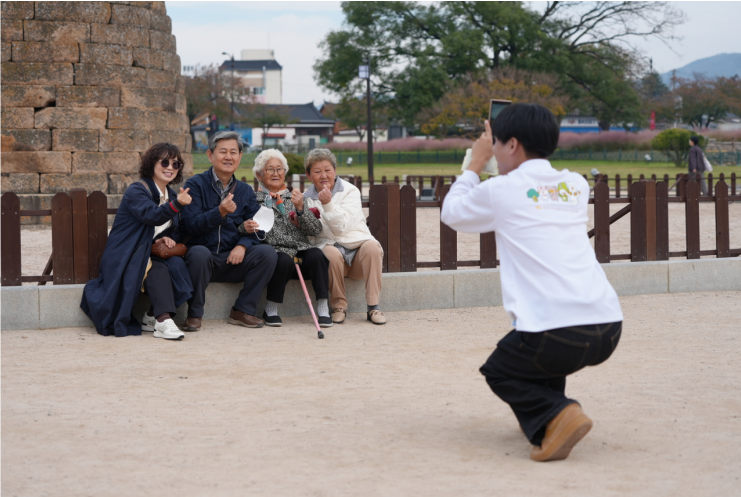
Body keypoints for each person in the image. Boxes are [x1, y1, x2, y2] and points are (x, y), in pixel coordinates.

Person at [441, 104, 623, 462]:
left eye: (496, 143)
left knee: (500, 370)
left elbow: (452, 212)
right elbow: (531, 195)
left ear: (512, 145)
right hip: (607, 326)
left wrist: (475, 164)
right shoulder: (575, 184)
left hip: (558, 330)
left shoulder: (502, 190)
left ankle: (559, 413)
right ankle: (549, 421)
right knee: (538, 357)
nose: (493, 150)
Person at [81, 143, 193, 340]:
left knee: (177, 264)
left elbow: (167, 227)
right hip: (128, 252)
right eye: (165, 162)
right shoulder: (137, 190)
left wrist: (165, 236)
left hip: (150, 251)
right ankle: (163, 320)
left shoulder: (173, 195)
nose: (170, 167)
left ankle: (151, 316)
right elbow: (152, 215)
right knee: (157, 269)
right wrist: (177, 205)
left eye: (175, 164)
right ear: (152, 164)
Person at [180, 131, 277, 330]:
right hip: (203, 260)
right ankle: (194, 314)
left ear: (240, 156)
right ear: (210, 155)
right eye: (223, 151)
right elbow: (191, 224)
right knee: (198, 253)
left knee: (267, 253)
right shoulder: (195, 185)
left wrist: (243, 245)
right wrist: (220, 212)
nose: (228, 157)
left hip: (233, 259)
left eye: (233, 152)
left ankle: (242, 310)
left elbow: (258, 227)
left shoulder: (245, 191)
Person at [240, 149, 331, 327]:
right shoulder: (254, 200)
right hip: (277, 254)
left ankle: (323, 307)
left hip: (301, 251)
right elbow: (241, 227)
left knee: (317, 255)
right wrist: (245, 227)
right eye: (270, 169)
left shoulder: (296, 197)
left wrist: (301, 209)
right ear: (259, 174)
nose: (276, 173)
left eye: (279, 169)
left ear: (285, 172)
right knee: (283, 259)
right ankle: (271, 308)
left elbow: (315, 229)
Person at [302, 149, 386, 325]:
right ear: (309, 175)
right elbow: (311, 232)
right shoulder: (306, 199)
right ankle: (339, 306)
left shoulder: (350, 191)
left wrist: (327, 204)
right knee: (330, 252)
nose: (323, 175)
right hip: (332, 257)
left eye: (327, 170)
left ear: (335, 170)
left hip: (358, 255)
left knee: (372, 246)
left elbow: (342, 227)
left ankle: (373, 307)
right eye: (317, 171)